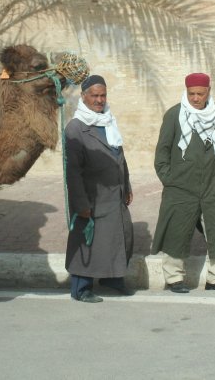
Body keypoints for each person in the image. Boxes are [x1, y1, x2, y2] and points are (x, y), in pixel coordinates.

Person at [151, 73, 215, 293]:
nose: (196, 98)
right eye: (192, 93)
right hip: (180, 187)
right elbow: (162, 153)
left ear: (208, 91)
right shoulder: (174, 115)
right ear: (186, 91)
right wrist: (169, 180)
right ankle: (174, 279)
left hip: (213, 186)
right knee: (176, 232)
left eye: (200, 93)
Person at [65, 75, 134, 303]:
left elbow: (119, 157)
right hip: (92, 197)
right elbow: (73, 172)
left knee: (117, 236)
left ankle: (112, 278)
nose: (99, 100)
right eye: (94, 95)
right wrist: (80, 203)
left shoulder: (108, 120)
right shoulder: (76, 128)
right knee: (88, 242)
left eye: (102, 95)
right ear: (83, 96)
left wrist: (127, 185)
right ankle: (81, 288)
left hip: (114, 194)